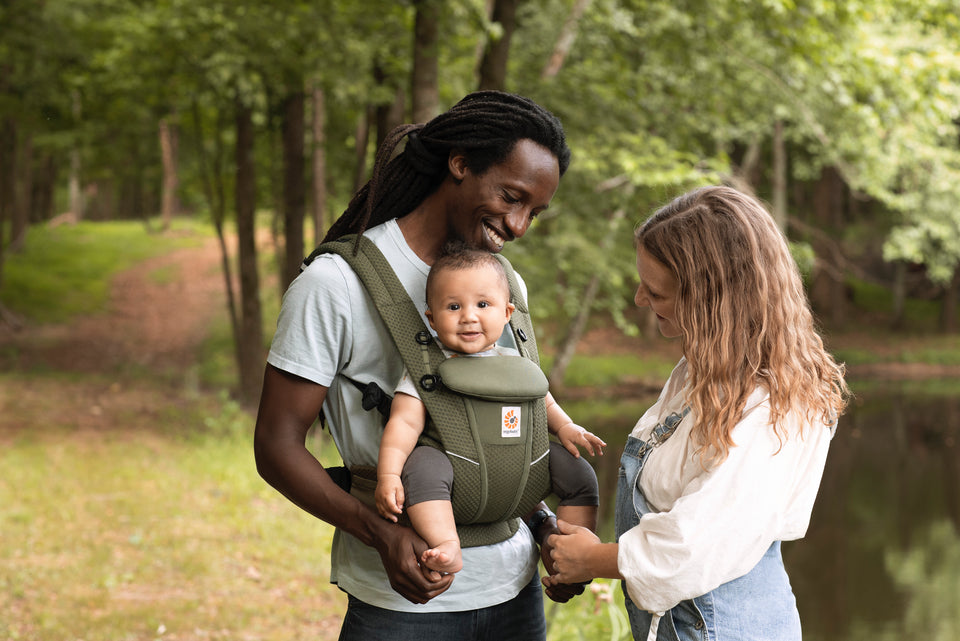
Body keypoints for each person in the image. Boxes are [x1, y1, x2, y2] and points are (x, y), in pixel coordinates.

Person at [253, 91, 584, 641]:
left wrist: (546, 524)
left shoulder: (503, 286)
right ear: (459, 164)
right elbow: (276, 446)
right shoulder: (335, 286)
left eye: (535, 211)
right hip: (400, 607)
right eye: (511, 196)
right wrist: (379, 534)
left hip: (515, 591)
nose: (521, 225)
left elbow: (504, 430)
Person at [542, 185, 850, 641]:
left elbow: (696, 544)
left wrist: (593, 559)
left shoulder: (773, 407)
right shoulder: (700, 373)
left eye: (657, 292)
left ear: (712, 301)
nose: (639, 301)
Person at [375, 243, 605, 575]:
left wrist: (566, 427)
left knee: (578, 471)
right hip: (454, 466)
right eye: (453, 306)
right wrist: (388, 475)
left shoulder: (517, 361)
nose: (469, 316)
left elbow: (543, 401)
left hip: (520, 463)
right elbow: (403, 426)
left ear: (508, 313)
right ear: (432, 319)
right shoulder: (427, 369)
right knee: (422, 466)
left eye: (483, 304)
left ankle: (564, 549)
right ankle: (447, 543)